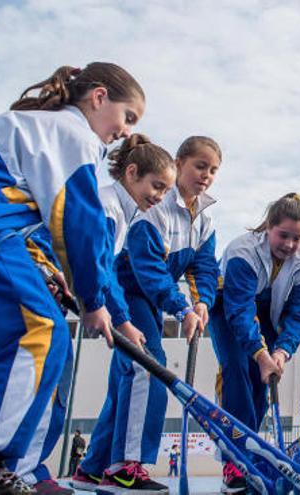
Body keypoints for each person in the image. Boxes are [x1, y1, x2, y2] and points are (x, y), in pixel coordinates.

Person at [0, 62, 144, 495]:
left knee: (45, 344)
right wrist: (92, 301)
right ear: (99, 97)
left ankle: (14, 466)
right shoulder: (74, 135)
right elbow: (75, 223)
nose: (127, 132)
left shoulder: (42, 131)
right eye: (129, 117)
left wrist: (51, 274)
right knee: (39, 331)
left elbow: (33, 218)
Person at [87, 136, 221, 494]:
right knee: (149, 369)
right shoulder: (154, 207)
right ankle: (125, 467)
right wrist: (180, 307)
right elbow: (148, 270)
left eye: (213, 170)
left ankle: (93, 466)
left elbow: (205, 267)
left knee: (126, 383)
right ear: (179, 163)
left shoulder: (205, 218)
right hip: (129, 291)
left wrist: (202, 301)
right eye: (199, 165)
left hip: (150, 297)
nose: (206, 175)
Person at [70, 134, 176, 492]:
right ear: (131, 173)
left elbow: (105, 271)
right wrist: (121, 319)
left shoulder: (121, 211)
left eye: (165, 190)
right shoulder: (110, 207)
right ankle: (122, 469)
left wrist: (118, 317)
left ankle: (94, 468)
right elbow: (101, 270)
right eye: (156, 186)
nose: (159, 196)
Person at [208, 193, 300, 494]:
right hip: (229, 308)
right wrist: (259, 352)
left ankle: (250, 453)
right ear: (268, 226)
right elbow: (240, 310)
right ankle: (233, 460)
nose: (290, 245)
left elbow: (299, 314)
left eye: (298, 238)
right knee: (237, 369)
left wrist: (281, 351)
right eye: (283, 235)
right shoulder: (243, 251)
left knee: (262, 379)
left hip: (269, 312)